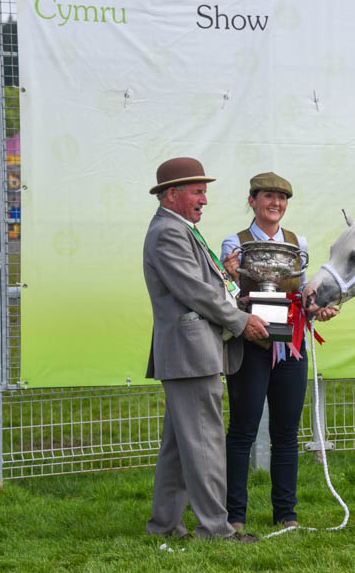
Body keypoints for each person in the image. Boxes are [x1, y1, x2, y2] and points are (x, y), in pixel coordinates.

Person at [143, 157, 269, 542]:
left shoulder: (178, 228)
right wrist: (239, 320)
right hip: (190, 352)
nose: (204, 200)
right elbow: (193, 291)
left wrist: (230, 286)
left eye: (204, 192)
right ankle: (216, 529)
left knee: (180, 447)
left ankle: (163, 524)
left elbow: (205, 284)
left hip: (189, 352)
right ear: (172, 195)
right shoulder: (169, 232)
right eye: (198, 191)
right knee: (205, 443)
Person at [220, 172, 338, 532]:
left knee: (286, 433)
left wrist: (319, 308)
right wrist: (228, 276)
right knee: (243, 430)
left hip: (291, 346)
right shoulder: (233, 242)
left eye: (282, 199)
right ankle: (234, 516)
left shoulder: (296, 242)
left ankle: (286, 514)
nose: (276, 204)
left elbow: (303, 293)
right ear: (252, 201)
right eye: (268, 197)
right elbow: (225, 292)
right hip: (251, 344)